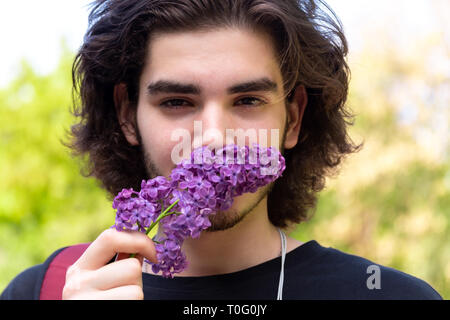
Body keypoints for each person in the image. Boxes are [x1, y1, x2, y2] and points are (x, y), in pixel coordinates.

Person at [1, 0, 443, 300]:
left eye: (248, 101)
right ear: (126, 114)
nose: (213, 137)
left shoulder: (387, 295)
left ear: (293, 118)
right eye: (177, 102)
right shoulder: (45, 291)